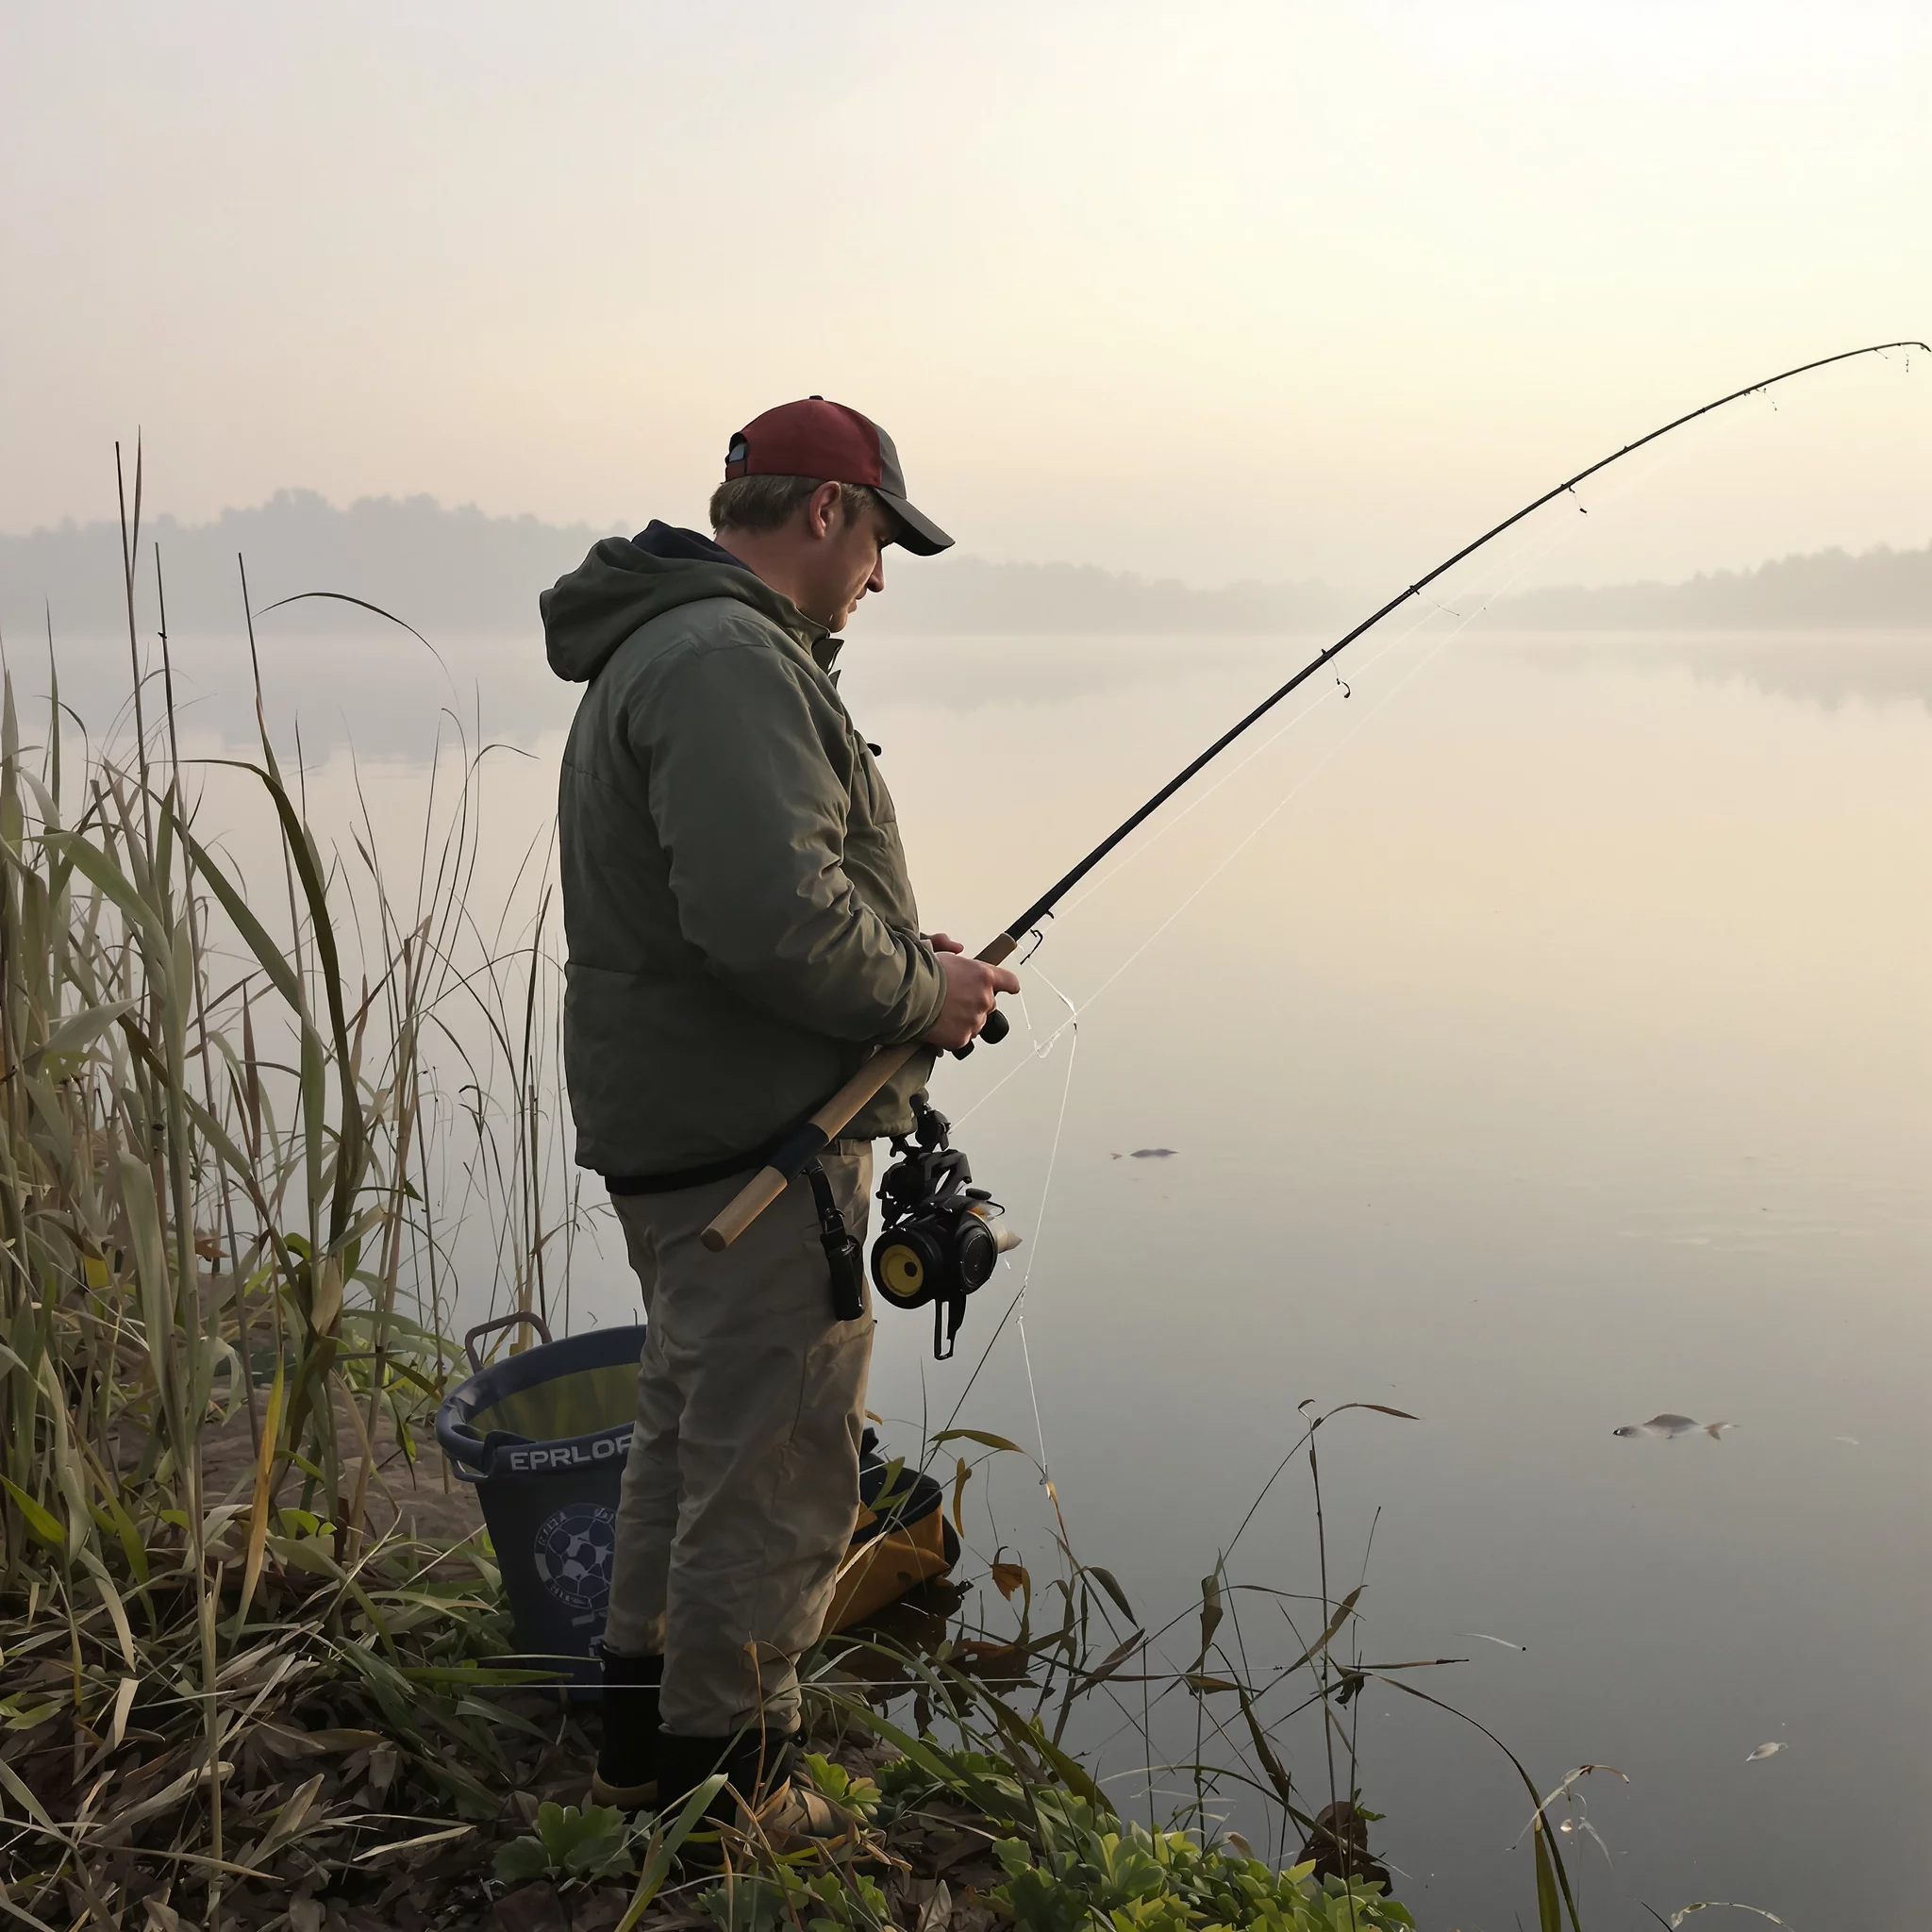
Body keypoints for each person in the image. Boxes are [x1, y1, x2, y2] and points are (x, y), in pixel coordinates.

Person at [541, 398, 1019, 1846]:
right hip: (751, 1147)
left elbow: (767, 900)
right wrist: (921, 996)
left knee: (692, 1440)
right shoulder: (726, 660)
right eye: (879, 543)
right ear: (825, 512)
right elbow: (767, 922)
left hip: (695, 1126)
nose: (878, 577)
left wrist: (903, 962)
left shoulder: (680, 644)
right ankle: (734, 1798)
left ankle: (647, 1754)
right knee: (777, 1470)